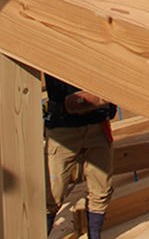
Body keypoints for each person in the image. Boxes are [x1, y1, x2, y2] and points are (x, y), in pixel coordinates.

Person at [44, 74, 116, 238]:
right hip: (63, 126)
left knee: (101, 188)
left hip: (98, 125)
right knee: (53, 194)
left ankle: (95, 236)